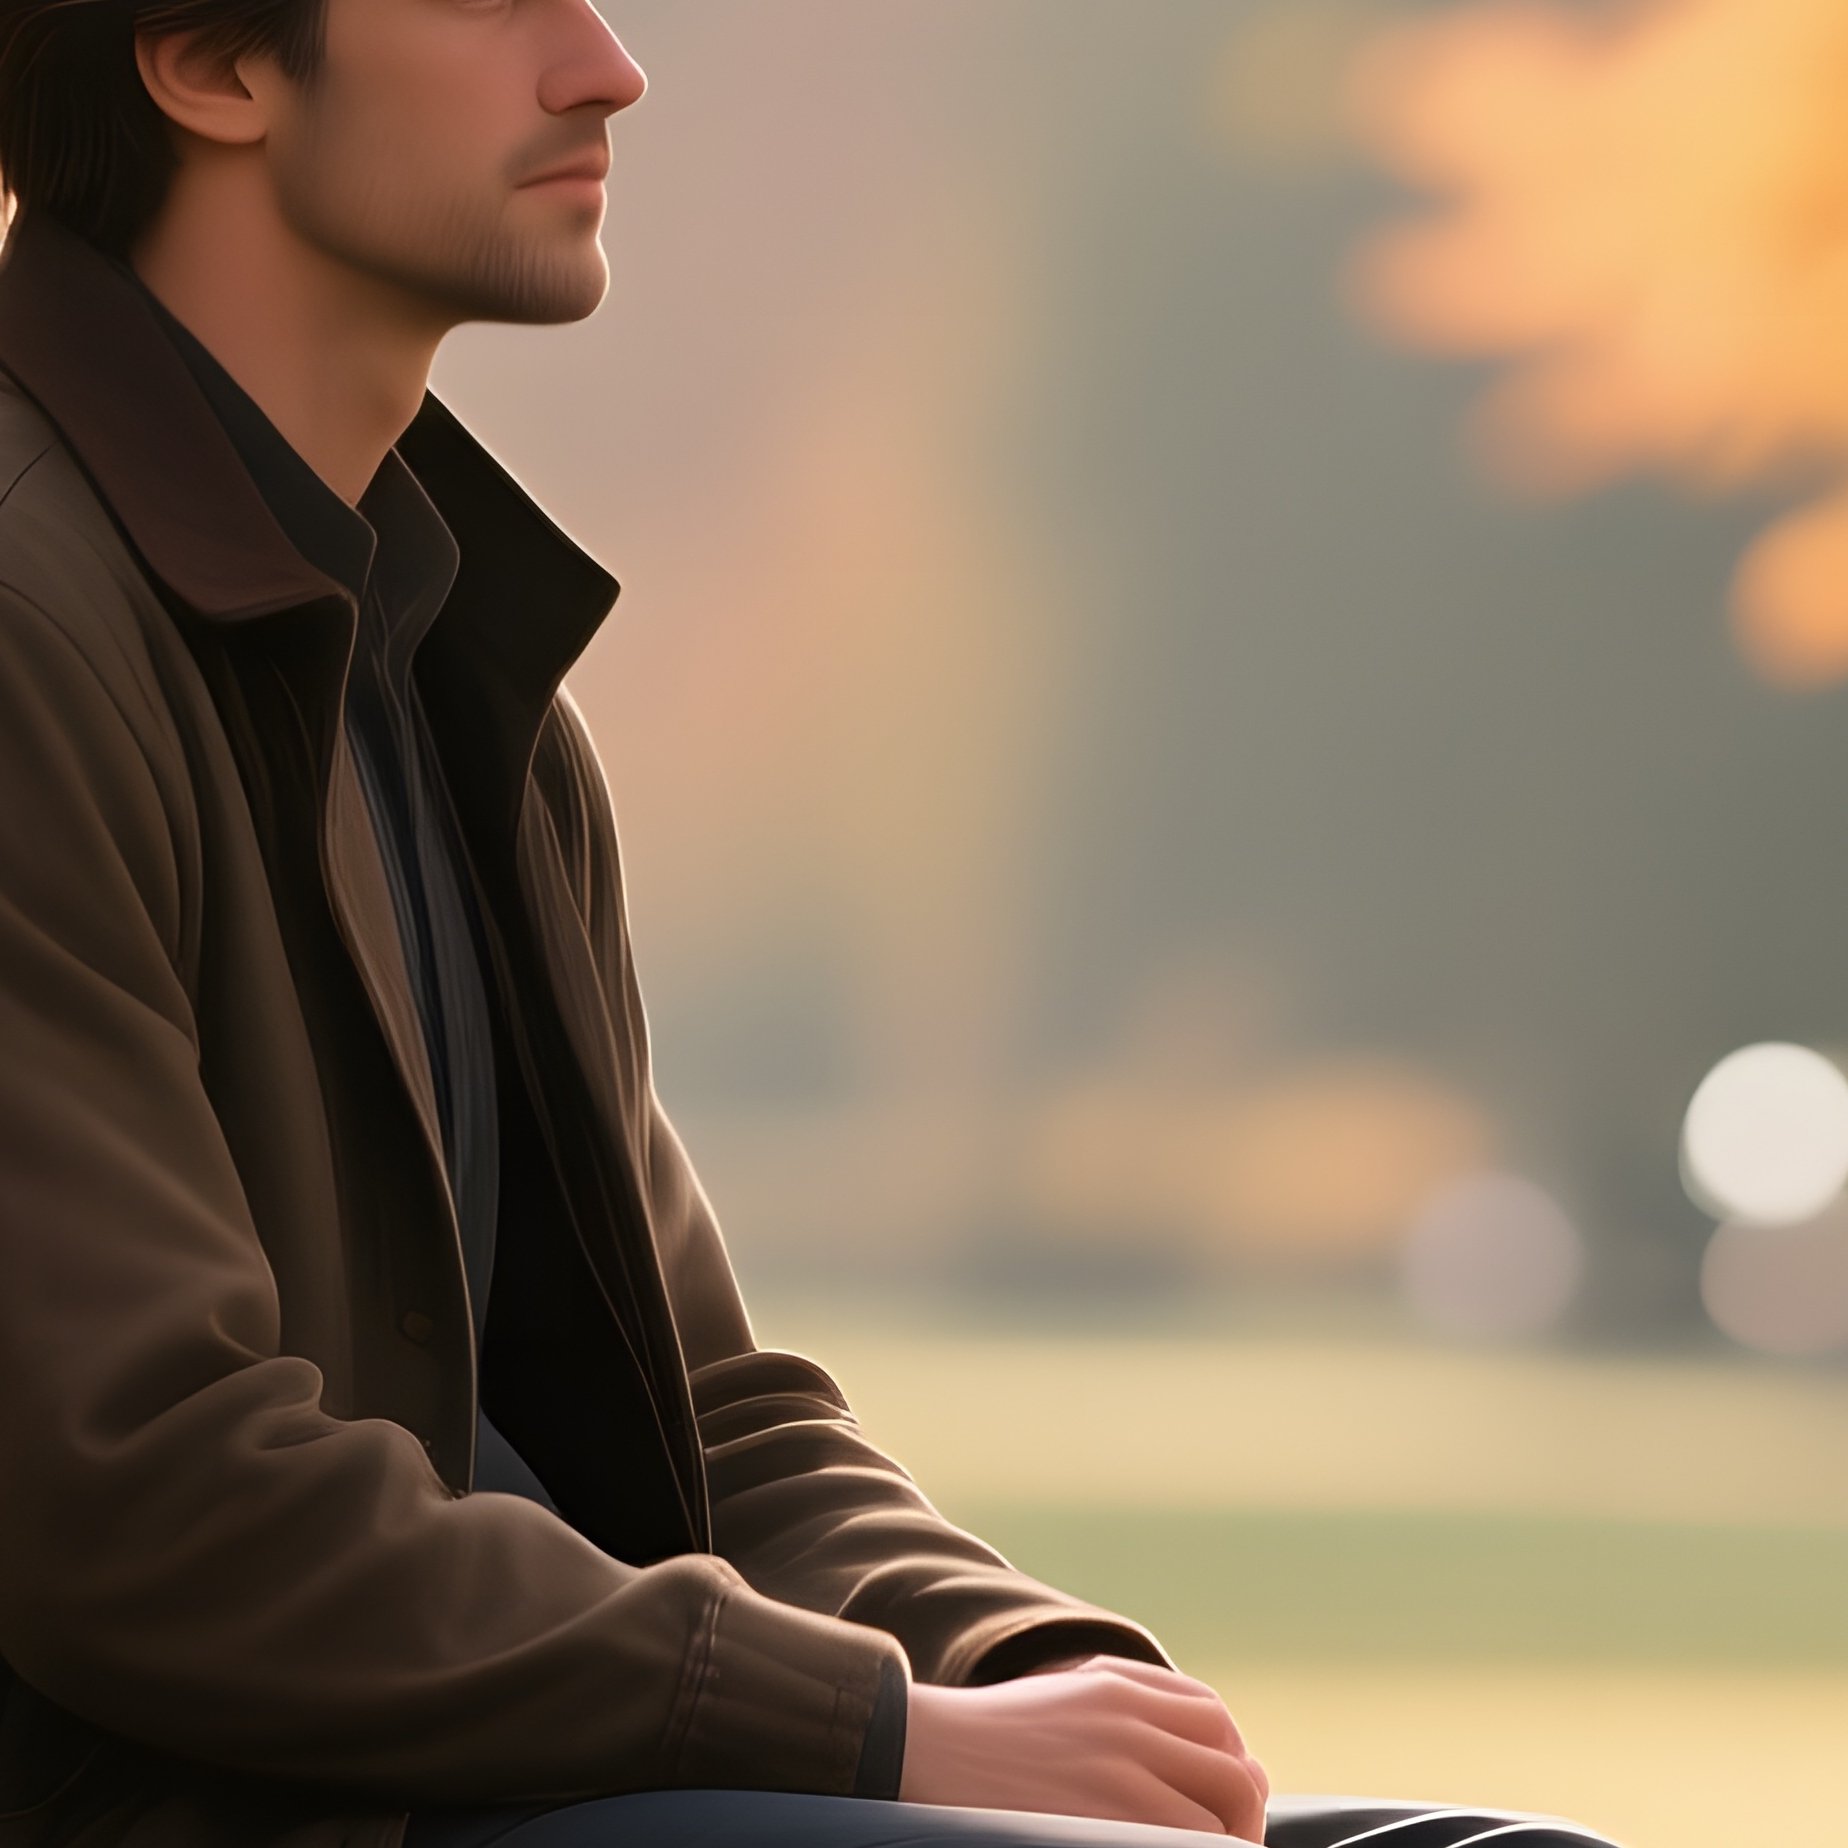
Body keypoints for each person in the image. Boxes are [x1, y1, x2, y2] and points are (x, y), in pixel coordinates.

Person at [0, 5, 1625, 1846]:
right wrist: (869, 1731)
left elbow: (710, 1409)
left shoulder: (450, 650)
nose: (605, 66)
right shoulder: (33, 630)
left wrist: (1025, 1674)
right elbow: (137, 1494)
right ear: (206, 64)